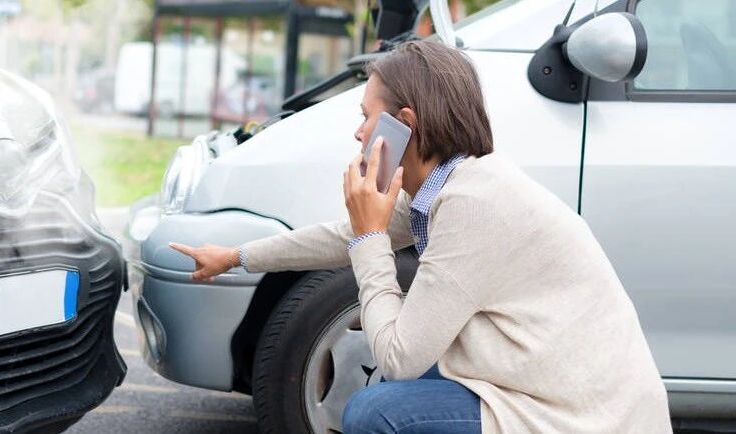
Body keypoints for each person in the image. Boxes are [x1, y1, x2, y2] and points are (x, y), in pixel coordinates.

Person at [169, 40, 671, 433]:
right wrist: (235, 255)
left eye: (366, 117)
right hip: (543, 387)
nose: (359, 134)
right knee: (404, 387)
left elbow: (398, 356)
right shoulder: (456, 183)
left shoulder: (475, 207)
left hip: (578, 418)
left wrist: (369, 238)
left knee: (376, 411)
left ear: (404, 124)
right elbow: (342, 236)